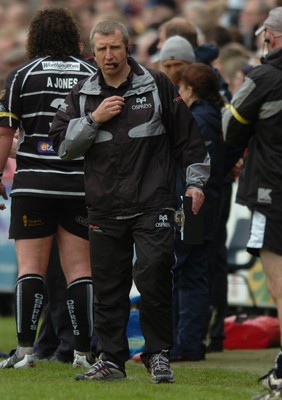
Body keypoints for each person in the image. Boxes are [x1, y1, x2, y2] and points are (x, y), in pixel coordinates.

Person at [49, 19, 210, 383]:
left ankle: (157, 355)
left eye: (115, 48)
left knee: (153, 275)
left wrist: (195, 184)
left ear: (128, 47)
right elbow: (61, 147)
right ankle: (110, 360)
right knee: (108, 287)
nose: (109, 55)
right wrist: (93, 118)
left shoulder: (157, 85)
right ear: (94, 51)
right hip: (103, 206)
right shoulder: (83, 93)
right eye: (102, 49)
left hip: (153, 203)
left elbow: (190, 141)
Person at [0, 7, 97, 369]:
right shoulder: (92, 73)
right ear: (73, 35)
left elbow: (5, 132)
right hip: (79, 185)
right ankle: (84, 354)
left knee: (30, 269)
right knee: (79, 271)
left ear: (34, 37)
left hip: (34, 186)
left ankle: (25, 353)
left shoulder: (21, 76)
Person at [222, 6, 282, 395]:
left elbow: (231, 126)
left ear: (271, 37)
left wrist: (232, 160)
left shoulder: (264, 76)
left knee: (280, 287)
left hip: (274, 191)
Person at [159, 36, 225, 361]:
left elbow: (189, 164)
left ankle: (182, 343)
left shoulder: (197, 120)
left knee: (183, 272)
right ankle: (189, 343)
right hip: (205, 203)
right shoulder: (213, 116)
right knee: (195, 272)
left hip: (190, 203)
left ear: (191, 89)